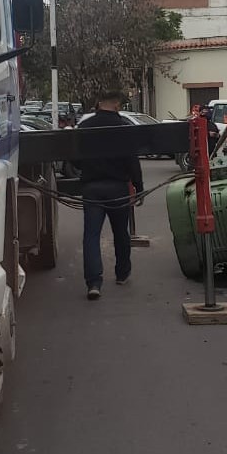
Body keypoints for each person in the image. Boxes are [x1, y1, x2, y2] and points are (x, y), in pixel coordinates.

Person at [76, 90, 144, 300]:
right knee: (120, 233)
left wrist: (84, 168)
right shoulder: (124, 126)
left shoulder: (84, 127)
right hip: (117, 188)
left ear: (98, 104)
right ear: (117, 105)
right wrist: (139, 186)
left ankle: (94, 283)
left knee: (91, 235)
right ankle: (122, 273)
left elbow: (74, 157)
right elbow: (132, 160)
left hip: (92, 188)